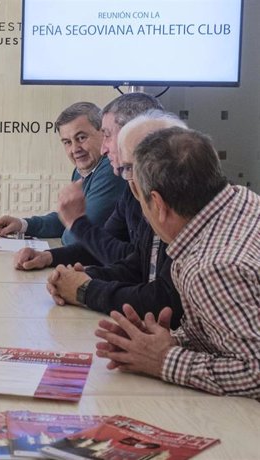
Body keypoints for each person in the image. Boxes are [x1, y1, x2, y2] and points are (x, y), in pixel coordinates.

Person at [95, 127, 260, 398]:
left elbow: (255, 372)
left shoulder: (211, 267)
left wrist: (164, 360)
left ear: (158, 203)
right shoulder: (241, 202)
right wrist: (171, 342)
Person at [46, 111, 187, 328]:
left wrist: (84, 290)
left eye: (108, 135)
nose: (105, 148)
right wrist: (84, 277)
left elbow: (164, 301)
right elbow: (137, 264)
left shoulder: (176, 205)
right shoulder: (140, 193)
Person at [13, 93, 164, 271]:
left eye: (107, 136)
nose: (104, 149)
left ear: (133, 137)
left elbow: (137, 265)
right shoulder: (126, 184)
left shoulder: (116, 173)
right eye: (67, 142)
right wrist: (48, 256)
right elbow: (102, 246)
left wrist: (86, 287)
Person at [0, 102, 124, 246]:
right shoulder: (82, 169)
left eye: (81, 138)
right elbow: (68, 219)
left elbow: (76, 237)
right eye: (67, 142)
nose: (75, 149)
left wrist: (69, 227)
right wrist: (23, 225)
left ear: (102, 133)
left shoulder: (111, 170)